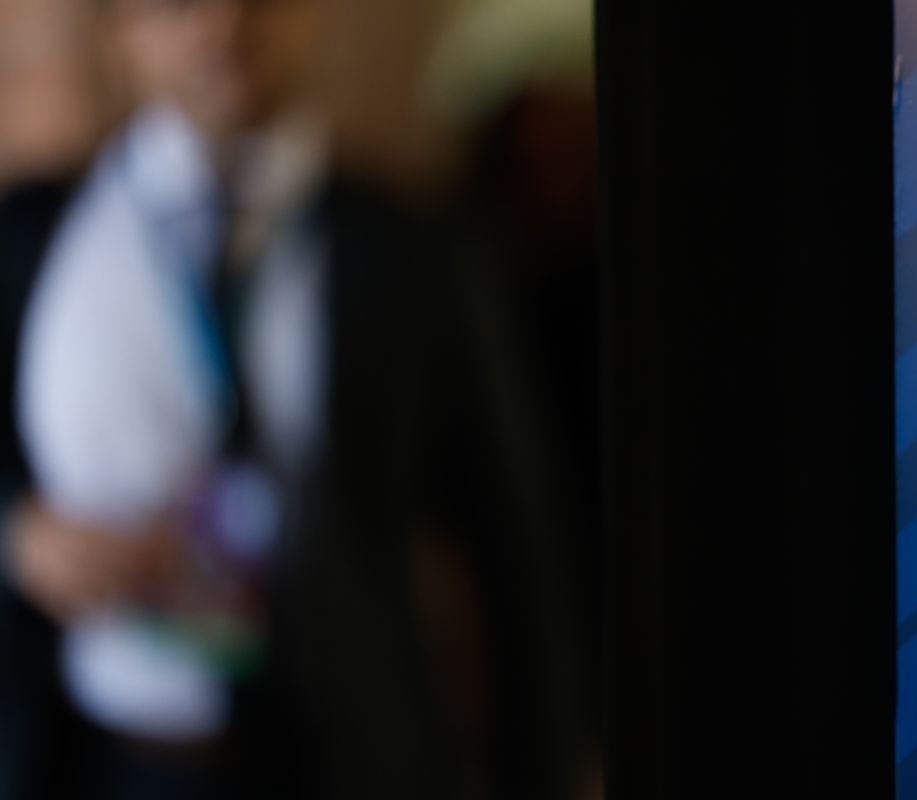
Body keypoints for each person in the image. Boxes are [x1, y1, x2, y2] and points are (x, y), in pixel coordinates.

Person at [0, 0, 589, 797]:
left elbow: (516, 540)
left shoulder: (414, 248)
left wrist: (547, 771)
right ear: (117, 34)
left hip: (346, 759)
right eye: (175, 4)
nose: (221, 25)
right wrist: (17, 532)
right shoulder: (33, 236)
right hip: (99, 758)